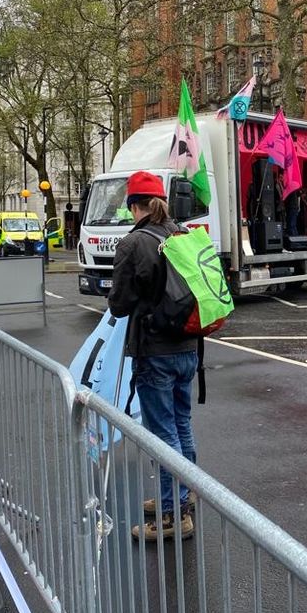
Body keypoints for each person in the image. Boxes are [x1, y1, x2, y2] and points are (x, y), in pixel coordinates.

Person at [108, 171, 199, 541]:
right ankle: (182, 495)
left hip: (155, 351)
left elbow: (119, 304)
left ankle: (171, 515)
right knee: (181, 424)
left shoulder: (134, 244)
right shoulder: (182, 234)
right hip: (189, 347)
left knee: (162, 434)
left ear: (135, 206)